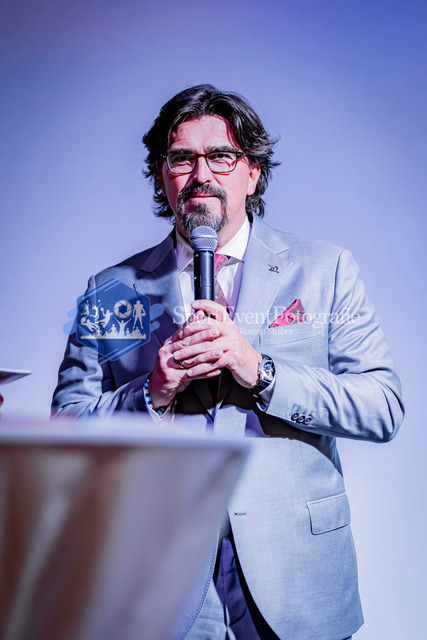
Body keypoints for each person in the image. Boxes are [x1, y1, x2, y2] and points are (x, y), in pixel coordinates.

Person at [52, 84, 404, 640]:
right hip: (157, 584)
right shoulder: (111, 290)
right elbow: (66, 432)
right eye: (181, 158)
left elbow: (382, 408)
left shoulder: (325, 269)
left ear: (252, 173)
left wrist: (261, 371)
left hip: (297, 573)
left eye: (221, 156)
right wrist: (150, 393)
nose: (201, 174)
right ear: (161, 176)